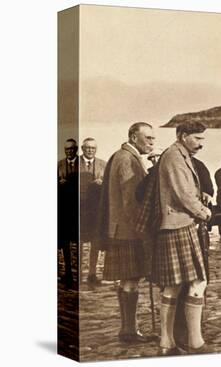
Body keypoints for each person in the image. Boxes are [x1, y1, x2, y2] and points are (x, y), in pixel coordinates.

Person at [151, 121, 211, 356]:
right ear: (183, 135)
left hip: (175, 225)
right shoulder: (175, 157)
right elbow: (183, 194)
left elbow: (186, 192)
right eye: (197, 138)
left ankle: (167, 344)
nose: (201, 144)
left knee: (173, 286)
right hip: (178, 225)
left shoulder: (176, 154)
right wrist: (204, 212)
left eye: (202, 139)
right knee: (198, 282)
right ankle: (195, 343)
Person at [96, 122, 156, 344]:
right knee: (130, 280)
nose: (152, 142)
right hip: (128, 231)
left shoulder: (123, 156)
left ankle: (129, 329)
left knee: (128, 280)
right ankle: (129, 331)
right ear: (133, 137)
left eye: (153, 138)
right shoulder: (126, 159)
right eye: (148, 138)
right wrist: (144, 230)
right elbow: (131, 201)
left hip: (123, 230)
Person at [79, 137, 106, 286]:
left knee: (95, 242)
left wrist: (102, 183)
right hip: (80, 209)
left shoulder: (103, 164)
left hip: (96, 210)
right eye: (88, 148)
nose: (90, 150)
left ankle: (92, 273)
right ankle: (78, 275)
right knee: (80, 242)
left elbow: (108, 185)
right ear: (82, 149)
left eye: (93, 148)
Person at [58, 138, 79, 288]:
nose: (69, 152)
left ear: (76, 149)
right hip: (64, 210)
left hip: (78, 209)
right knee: (64, 244)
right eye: (66, 150)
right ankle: (68, 274)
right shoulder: (58, 165)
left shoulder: (82, 163)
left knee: (78, 243)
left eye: (71, 149)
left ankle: (78, 274)